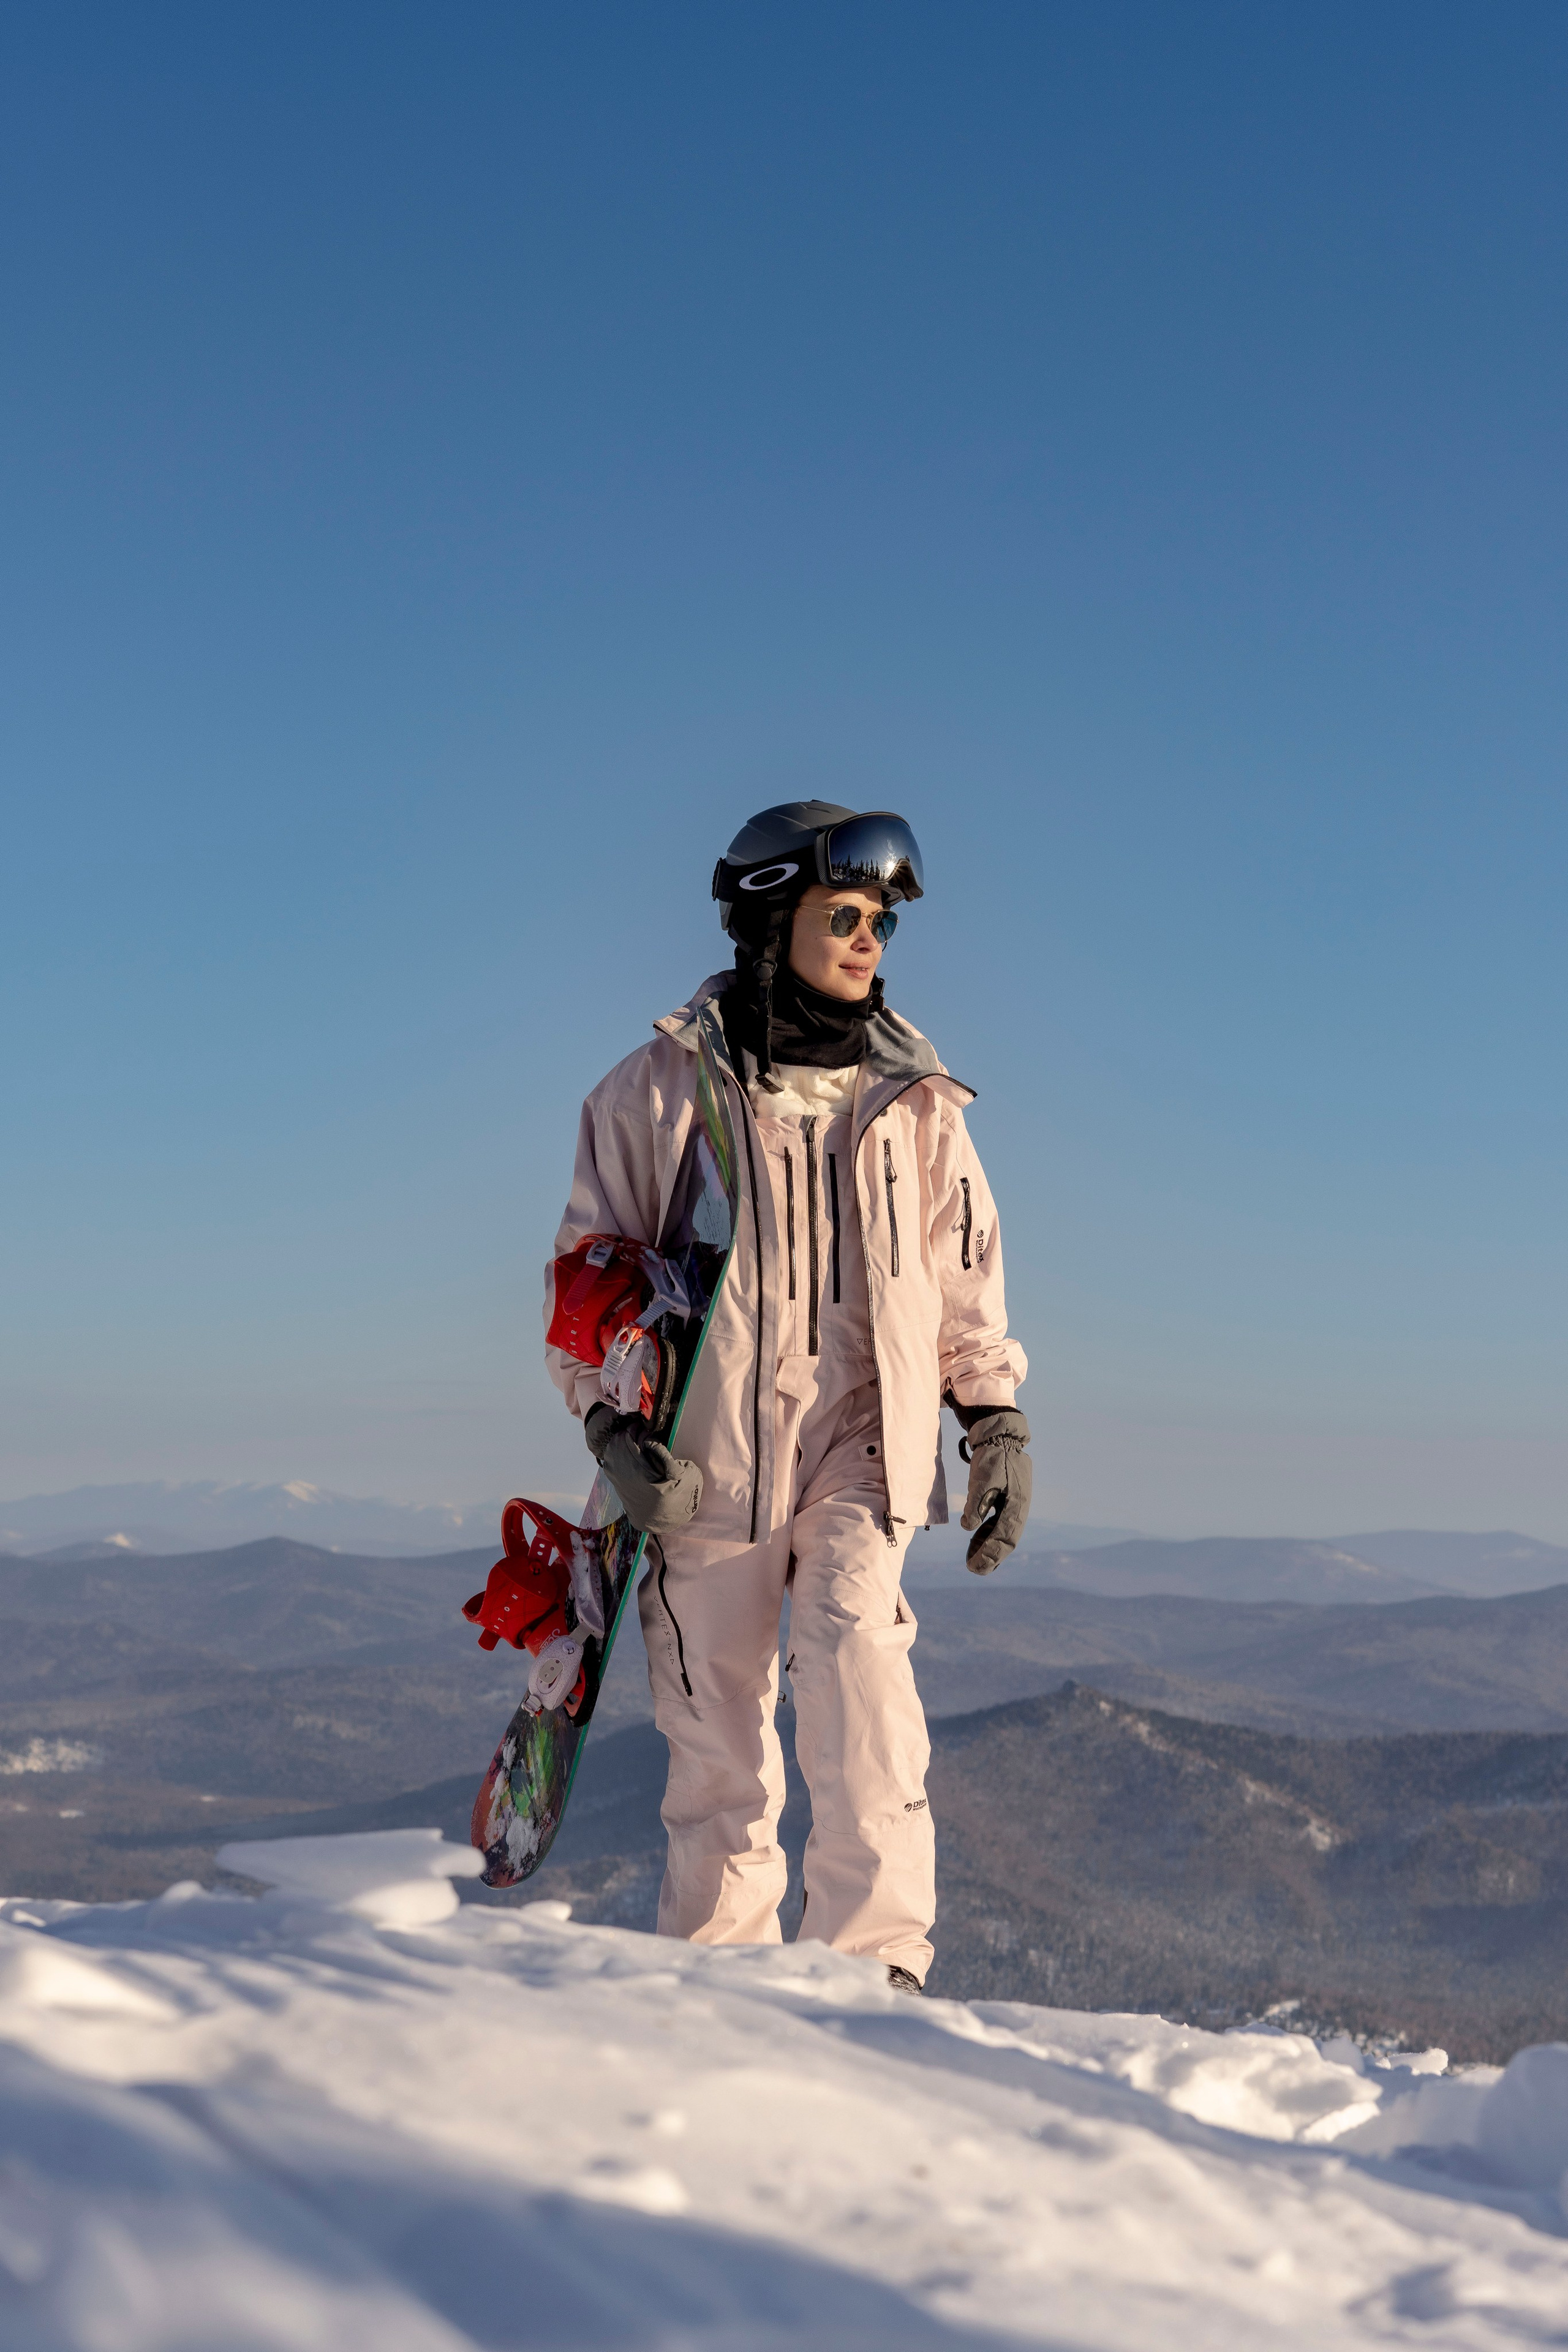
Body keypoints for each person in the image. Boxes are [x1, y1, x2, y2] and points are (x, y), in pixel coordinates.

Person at [545, 802, 1030, 1989]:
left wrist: (993, 1415)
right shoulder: (655, 1095)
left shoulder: (915, 1104)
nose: (869, 941)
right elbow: (585, 1280)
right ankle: (722, 1982)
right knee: (718, 1738)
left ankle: (876, 1970)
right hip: (705, 1457)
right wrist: (612, 1428)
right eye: (845, 915)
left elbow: (963, 1276)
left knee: (855, 1646)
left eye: (879, 923)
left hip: (864, 1442)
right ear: (773, 917)